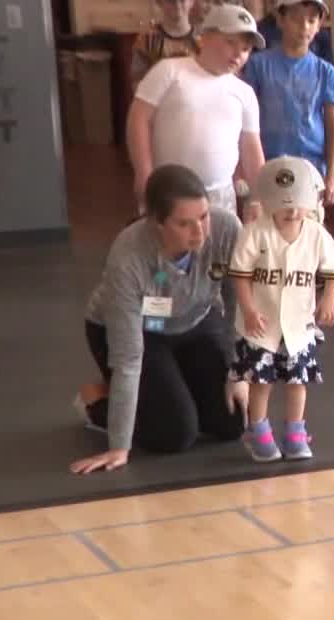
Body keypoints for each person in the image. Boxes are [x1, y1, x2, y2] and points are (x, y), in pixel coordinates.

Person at [71, 165, 248, 475]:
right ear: (156, 222)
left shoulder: (227, 229)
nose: (200, 232)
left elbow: (239, 304)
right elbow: (128, 357)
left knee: (231, 422)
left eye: (204, 216)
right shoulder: (128, 256)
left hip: (194, 320)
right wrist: (119, 446)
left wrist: (239, 371)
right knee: (174, 434)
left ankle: (171, 387)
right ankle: (97, 401)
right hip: (142, 328)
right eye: (184, 223)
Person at [228, 156, 334, 462]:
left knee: (298, 381)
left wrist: (329, 299)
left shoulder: (316, 234)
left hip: (298, 327)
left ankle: (295, 431)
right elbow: (241, 277)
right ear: (268, 201)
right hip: (260, 325)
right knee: (261, 380)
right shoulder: (255, 232)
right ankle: (258, 429)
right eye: (285, 205)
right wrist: (248, 309)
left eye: (300, 204)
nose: (293, 212)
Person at [127, 3, 266, 217]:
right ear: (205, 36)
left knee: (219, 248)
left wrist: (258, 198)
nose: (239, 54)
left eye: (246, 49)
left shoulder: (244, 93)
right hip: (169, 191)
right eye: (231, 42)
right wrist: (143, 172)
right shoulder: (170, 71)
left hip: (221, 197)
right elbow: (139, 119)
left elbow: (251, 149)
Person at [241, 0, 334, 206]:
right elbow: (244, 119)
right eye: (296, 19)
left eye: (311, 20)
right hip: (266, 163)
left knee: (307, 228)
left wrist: (331, 177)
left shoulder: (326, 72)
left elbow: (333, 126)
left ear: (319, 24)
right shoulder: (257, 65)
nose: (304, 27)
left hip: (310, 167)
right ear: (280, 19)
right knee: (266, 228)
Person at [131, 0, 198, 94]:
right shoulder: (147, 40)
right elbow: (138, 83)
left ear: (191, 2)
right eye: (171, 1)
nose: (177, 6)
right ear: (159, 3)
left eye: (182, 1)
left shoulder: (203, 41)